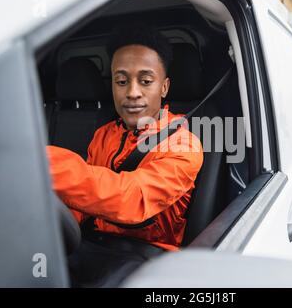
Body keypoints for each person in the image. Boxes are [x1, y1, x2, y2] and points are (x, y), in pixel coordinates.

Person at [46, 28, 204, 287]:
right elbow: (82, 202)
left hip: (148, 259)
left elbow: (131, 198)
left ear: (164, 87)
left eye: (145, 81)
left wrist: (42, 165)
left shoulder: (184, 144)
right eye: (121, 81)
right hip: (90, 244)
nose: (132, 92)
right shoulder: (104, 134)